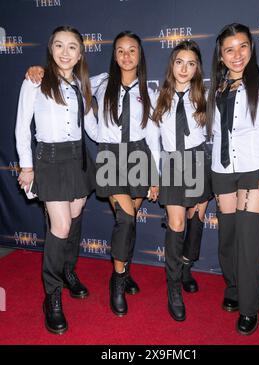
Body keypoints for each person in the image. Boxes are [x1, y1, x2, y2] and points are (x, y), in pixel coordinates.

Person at [16, 26, 98, 334]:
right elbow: (22, 127)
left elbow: (92, 127)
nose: (66, 52)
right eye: (60, 46)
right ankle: (52, 295)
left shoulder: (81, 84)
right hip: (49, 160)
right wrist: (26, 166)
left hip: (78, 158)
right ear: (51, 49)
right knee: (60, 226)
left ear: (80, 53)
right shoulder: (35, 81)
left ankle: (68, 271)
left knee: (75, 219)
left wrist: (120, 139)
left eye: (72, 47)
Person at [206, 23, 259, 335]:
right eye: (229, 49)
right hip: (222, 170)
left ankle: (250, 306)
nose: (237, 55)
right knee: (228, 237)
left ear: (251, 48)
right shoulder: (218, 86)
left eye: (242, 47)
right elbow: (213, 133)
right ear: (221, 56)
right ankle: (235, 287)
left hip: (254, 169)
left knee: (249, 239)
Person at [88, 31, 160, 316]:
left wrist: (155, 176)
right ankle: (117, 282)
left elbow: (153, 137)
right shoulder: (101, 83)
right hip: (111, 157)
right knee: (126, 220)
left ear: (140, 55)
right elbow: (72, 86)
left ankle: (124, 269)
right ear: (114, 55)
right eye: (121, 50)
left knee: (130, 224)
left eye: (132, 50)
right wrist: (95, 132)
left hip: (140, 156)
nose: (126, 56)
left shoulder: (149, 92)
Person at [152, 40, 212, 321]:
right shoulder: (158, 96)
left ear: (197, 67)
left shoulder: (206, 95)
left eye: (191, 63)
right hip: (173, 162)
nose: (184, 68)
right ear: (172, 65)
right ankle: (173, 287)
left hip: (198, 160)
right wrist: (155, 172)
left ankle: (187, 266)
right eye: (179, 62)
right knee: (176, 225)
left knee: (195, 220)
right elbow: (153, 140)